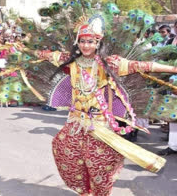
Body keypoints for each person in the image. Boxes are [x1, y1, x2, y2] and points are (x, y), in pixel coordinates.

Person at [16, 21, 176, 195]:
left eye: (91, 41)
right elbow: (45, 54)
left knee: (100, 164)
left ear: (98, 43)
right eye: (83, 41)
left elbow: (142, 65)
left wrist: (173, 69)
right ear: (78, 42)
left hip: (99, 124)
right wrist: (23, 49)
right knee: (65, 152)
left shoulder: (110, 63)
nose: (86, 45)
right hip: (76, 122)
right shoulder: (70, 61)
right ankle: (85, 191)